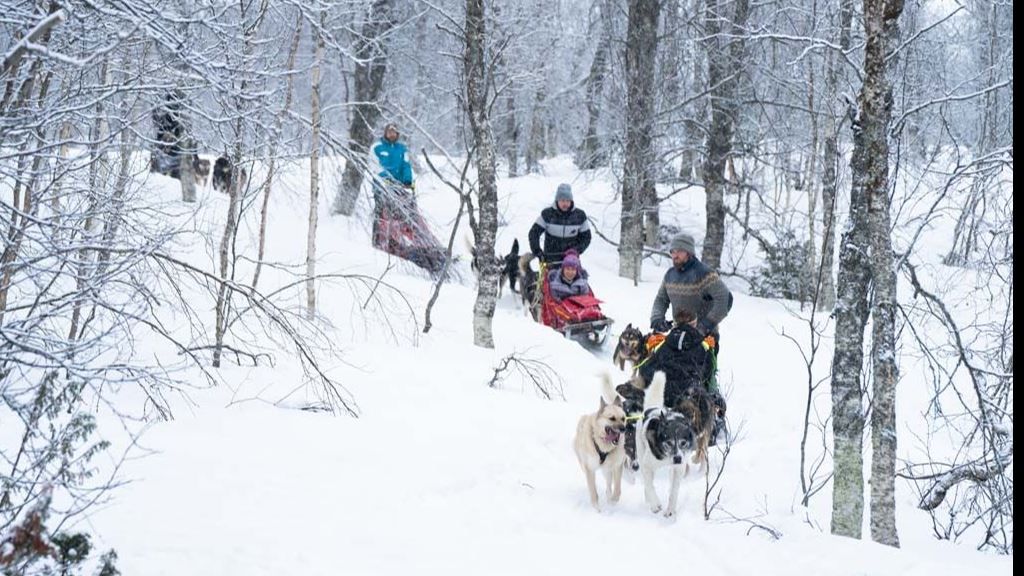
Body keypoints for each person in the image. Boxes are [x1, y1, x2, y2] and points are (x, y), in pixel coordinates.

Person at [649, 233, 732, 343]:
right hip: (678, 336)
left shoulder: (704, 274)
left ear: (689, 252)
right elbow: (661, 299)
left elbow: (725, 299)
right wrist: (657, 319)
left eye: (679, 251)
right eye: (672, 251)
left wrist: (705, 325)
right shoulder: (670, 275)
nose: (675, 255)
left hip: (705, 339)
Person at [371, 123, 414, 248]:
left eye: (394, 132)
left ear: (397, 134)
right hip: (381, 187)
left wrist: (407, 180)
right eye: (389, 131)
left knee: (400, 214)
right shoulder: (377, 147)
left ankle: (398, 240)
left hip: (399, 187)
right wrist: (387, 179)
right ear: (385, 133)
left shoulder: (402, 149)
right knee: (381, 214)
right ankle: (378, 240)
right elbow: (374, 166)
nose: (392, 134)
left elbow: (406, 165)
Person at [528, 183, 591, 264]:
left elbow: (586, 237)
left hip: (571, 260)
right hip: (550, 259)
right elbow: (533, 233)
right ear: (557, 200)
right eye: (562, 200)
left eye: (568, 201)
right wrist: (537, 251)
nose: (565, 204)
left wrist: (576, 250)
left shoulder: (580, 215)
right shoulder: (547, 214)